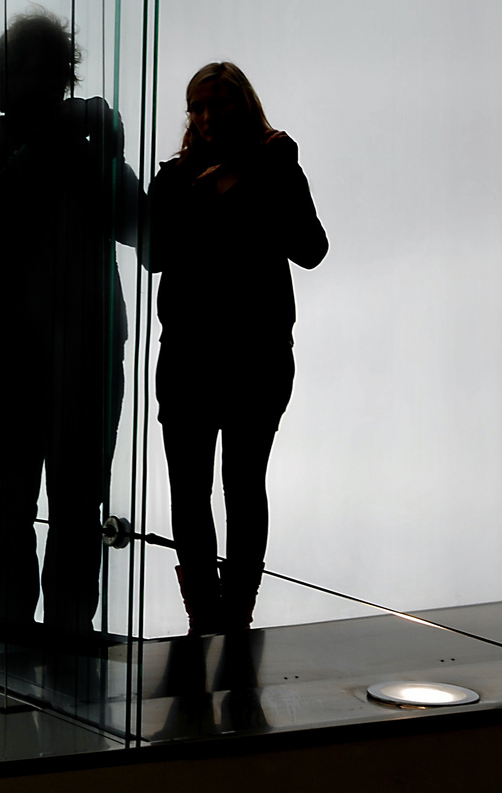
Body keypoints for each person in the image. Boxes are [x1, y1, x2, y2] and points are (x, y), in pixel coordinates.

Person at [0, 8, 142, 642]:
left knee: (61, 508)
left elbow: (140, 226)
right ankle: (36, 639)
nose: (42, 82)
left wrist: (106, 154)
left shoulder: (22, 148)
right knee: (23, 508)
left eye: (48, 70)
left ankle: (49, 639)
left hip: (60, 355)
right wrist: (70, 142)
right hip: (29, 354)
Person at [148, 61, 328, 635]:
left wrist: (249, 188)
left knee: (239, 484)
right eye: (197, 107)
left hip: (251, 355)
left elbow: (311, 246)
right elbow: (155, 254)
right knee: (198, 487)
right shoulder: (176, 180)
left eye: (217, 104)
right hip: (196, 356)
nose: (204, 117)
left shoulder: (272, 166)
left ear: (242, 106)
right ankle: (209, 613)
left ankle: (232, 610)